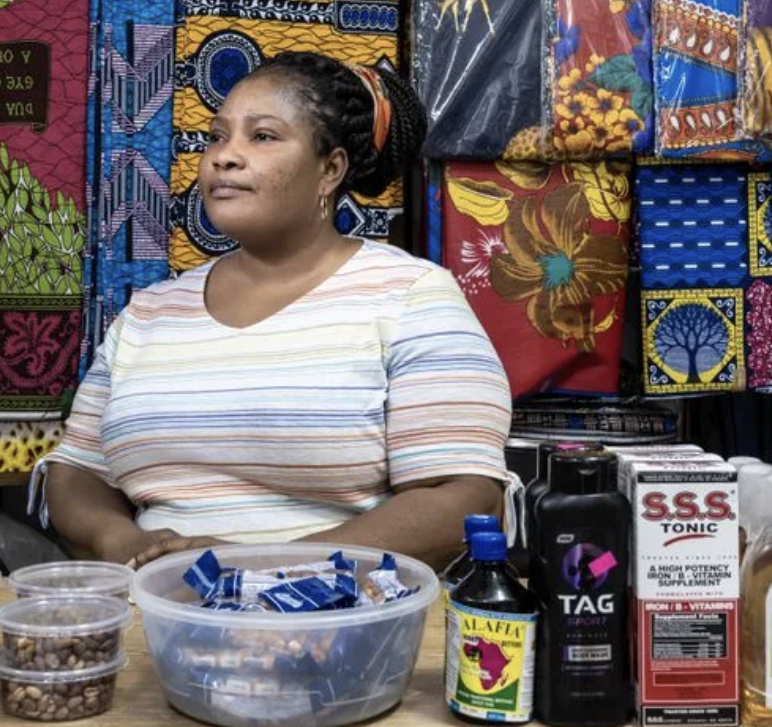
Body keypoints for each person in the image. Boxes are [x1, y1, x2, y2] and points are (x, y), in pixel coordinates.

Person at [40, 51, 512, 570]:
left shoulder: (410, 297)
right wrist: (120, 541)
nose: (224, 156)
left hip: (343, 621)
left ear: (330, 169)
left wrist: (262, 565)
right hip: (156, 616)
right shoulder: (150, 314)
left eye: (261, 136)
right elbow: (77, 472)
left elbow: (465, 497)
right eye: (218, 137)